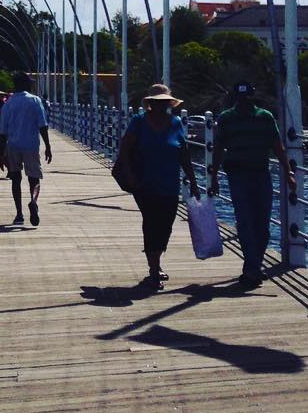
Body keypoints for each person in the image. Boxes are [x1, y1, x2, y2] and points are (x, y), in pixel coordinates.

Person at [210, 80, 297, 289]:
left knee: (262, 225)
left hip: (261, 174)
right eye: (241, 97)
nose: (244, 101)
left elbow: (278, 147)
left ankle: (254, 266)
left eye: (247, 97)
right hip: (237, 174)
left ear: (252, 96)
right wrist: (213, 177)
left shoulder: (265, 117)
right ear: (235, 97)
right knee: (245, 222)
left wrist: (288, 172)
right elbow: (219, 149)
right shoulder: (226, 118)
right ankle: (252, 269)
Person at [116, 83, 200, 289]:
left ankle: (157, 262)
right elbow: (124, 149)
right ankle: (153, 270)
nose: (162, 106)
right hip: (144, 183)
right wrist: (129, 175)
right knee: (152, 222)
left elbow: (184, 153)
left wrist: (194, 181)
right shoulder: (139, 122)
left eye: (165, 103)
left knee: (166, 226)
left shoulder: (176, 123)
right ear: (150, 103)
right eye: (157, 102)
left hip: (170, 184)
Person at [0, 74, 53, 226]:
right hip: (31, 145)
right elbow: (42, 124)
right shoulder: (35, 100)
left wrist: (2, 153)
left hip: (13, 145)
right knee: (34, 178)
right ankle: (33, 201)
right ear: (27, 85)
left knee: (15, 179)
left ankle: (19, 214)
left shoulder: (8, 104)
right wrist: (47, 146)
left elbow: (3, 131)